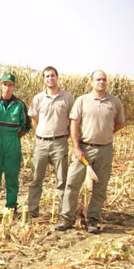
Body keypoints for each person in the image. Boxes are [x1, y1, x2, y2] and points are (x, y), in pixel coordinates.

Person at [55, 70, 125, 233]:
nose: (101, 82)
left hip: (105, 150)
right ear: (91, 82)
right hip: (84, 148)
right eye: (98, 79)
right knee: (72, 182)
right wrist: (76, 146)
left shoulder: (114, 102)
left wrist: (106, 135)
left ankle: (93, 219)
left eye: (104, 80)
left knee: (100, 186)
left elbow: (120, 123)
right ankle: (67, 218)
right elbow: (74, 124)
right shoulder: (82, 101)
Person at [27, 67, 75, 218]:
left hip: (60, 143)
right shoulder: (38, 98)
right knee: (36, 179)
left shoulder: (67, 97)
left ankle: (64, 213)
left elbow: (73, 121)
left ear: (57, 77)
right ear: (44, 79)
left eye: (52, 76)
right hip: (41, 143)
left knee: (62, 180)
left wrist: (63, 135)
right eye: (47, 76)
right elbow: (34, 120)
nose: (50, 79)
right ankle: (32, 211)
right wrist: (41, 135)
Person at [0, 72, 31, 218]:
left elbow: (26, 126)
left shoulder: (19, 104)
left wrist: (15, 138)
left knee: (12, 176)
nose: (7, 87)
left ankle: (11, 207)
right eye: (5, 84)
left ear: (14, 86)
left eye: (10, 85)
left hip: (13, 143)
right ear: (0, 85)